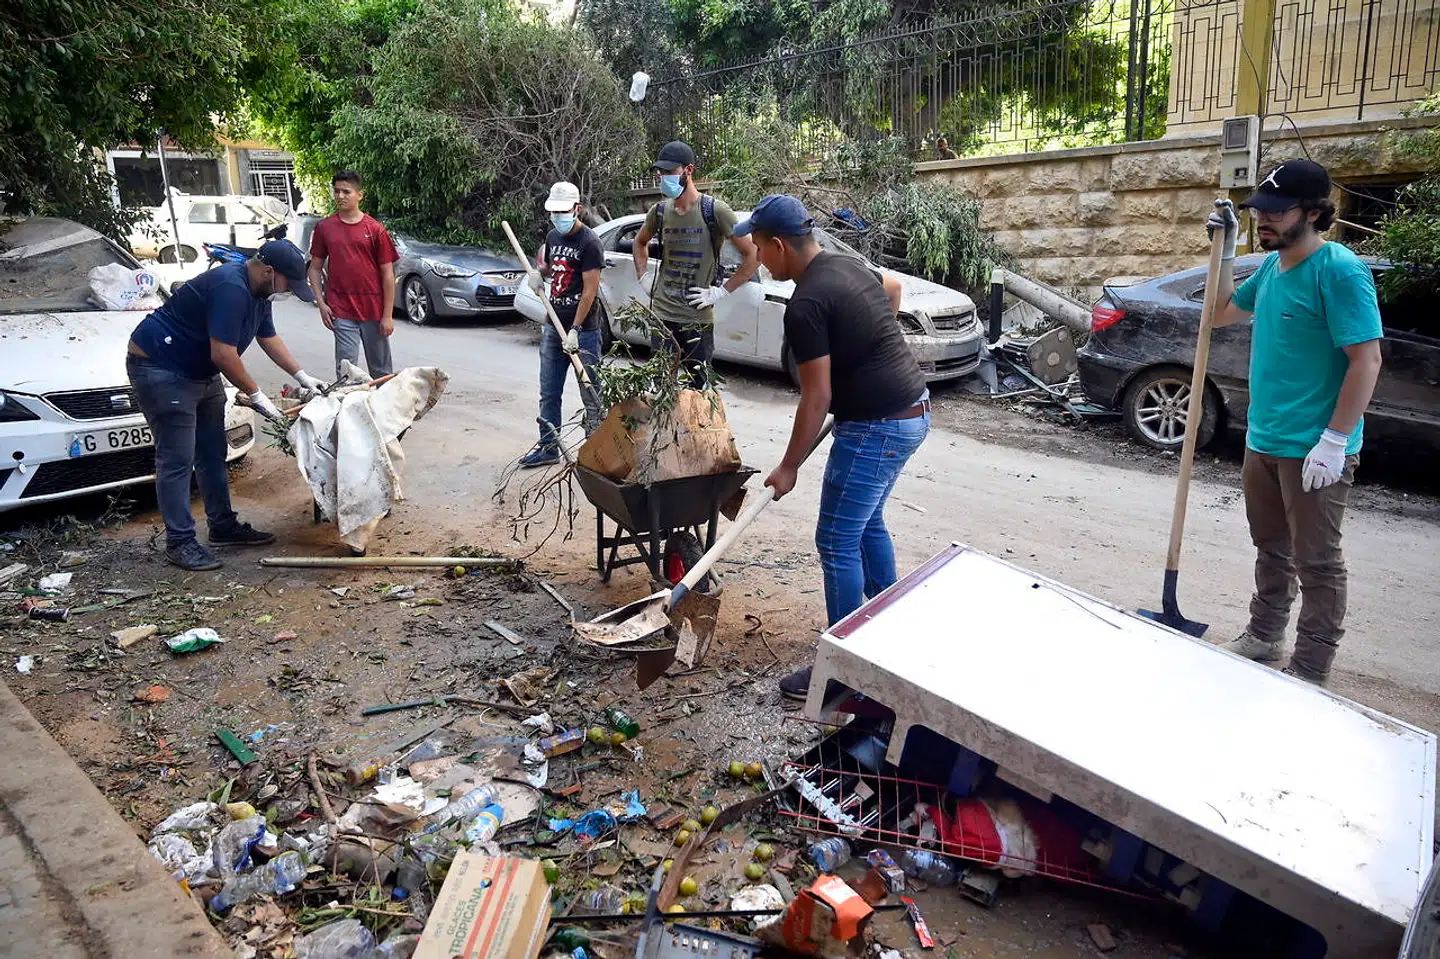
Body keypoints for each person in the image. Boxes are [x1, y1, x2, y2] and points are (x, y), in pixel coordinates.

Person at [733, 195, 931, 699]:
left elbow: (816, 396)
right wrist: (863, 352)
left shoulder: (805, 305)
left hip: (877, 427)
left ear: (779, 246)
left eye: (757, 248)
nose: (756, 258)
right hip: (912, 411)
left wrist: (788, 466)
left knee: (836, 540)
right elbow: (893, 288)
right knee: (867, 525)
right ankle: (888, 633)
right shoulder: (846, 265)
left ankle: (844, 675)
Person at [1208, 159, 1383, 686]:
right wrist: (1227, 248)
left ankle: (1310, 665)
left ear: (1312, 212)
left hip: (1314, 449)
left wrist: (1333, 442)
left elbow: (1366, 360)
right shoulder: (1270, 268)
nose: (1264, 220)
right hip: (1263, 439)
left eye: (1275, 212)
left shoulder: (1339, 270)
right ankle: (1264, 635)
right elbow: (1218, 314)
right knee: (1271, 548)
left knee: (1318, 562)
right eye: (1258, 211)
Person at [127, 240, 326, 571]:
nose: (288, 292)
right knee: (176, 459)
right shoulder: (230, 287)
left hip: (200, 372)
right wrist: (258, 395)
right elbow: (223, 354)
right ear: (268, 271)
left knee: (211, 452)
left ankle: (222, 526)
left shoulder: (259, 292)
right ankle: (180, 543)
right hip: (161, 368)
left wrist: (303, 376)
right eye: (287, 285)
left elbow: (268, 337)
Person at [631, 141, 758, 385]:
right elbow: (639, 243)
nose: (664, 177)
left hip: (696, 321)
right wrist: (643, 277)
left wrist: (721, 291)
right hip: (662, 316)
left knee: (699, 392)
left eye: (670, 172)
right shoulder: (658, 212)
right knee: (660, 389)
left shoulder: (715, 211)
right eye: (661, 173)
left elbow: (753, 254)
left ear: (689, 170)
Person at [519, 181, 605, 468]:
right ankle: (548, 447)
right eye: (553, 212)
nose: (557, 217)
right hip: (552, 328)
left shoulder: (590, 243)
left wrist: (576, 330)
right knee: (549, 391)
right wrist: (538, 274)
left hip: (584, 333)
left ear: (577, 209)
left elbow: (590, 291)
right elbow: (552, 269)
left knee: (591, 393)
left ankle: (597, 452)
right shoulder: (554, 236)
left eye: (563, 212)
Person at [306, 170, 400, 380]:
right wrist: (321, 303)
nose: (340, 196)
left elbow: (387, 274)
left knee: (382, 373)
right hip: (341, 310)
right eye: (337, 191)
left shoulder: (375, 230)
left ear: (360, 195)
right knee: (346, 374)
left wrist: (387, 315)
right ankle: (346, 411)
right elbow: (314, 268)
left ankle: (384, 412)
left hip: (374, 311)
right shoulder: (325, 228)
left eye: (346, 192)